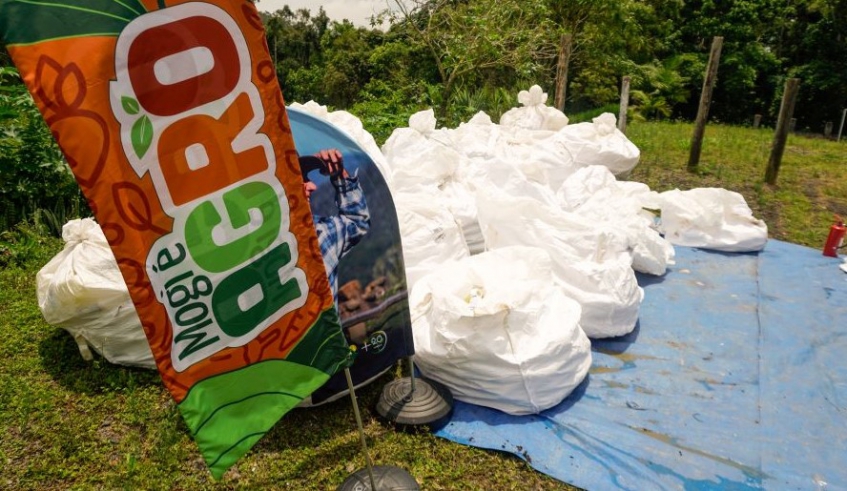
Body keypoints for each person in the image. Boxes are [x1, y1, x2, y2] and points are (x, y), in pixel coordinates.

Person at [299, 148, 370, 301]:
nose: (312, 186)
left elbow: (357, 221)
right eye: (298, 179)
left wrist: (339, 174)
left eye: (306, 177)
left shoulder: (320, 232)